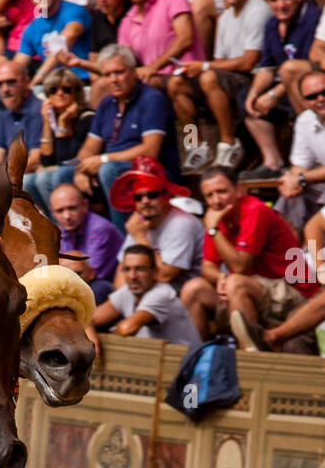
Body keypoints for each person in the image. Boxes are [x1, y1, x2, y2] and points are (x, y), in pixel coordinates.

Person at [180, 166, 317, 349]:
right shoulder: (218, 217)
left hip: (295, 291)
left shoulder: (253, 209)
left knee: (236, 283)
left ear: (238, 190)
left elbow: (240, 267)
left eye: (221, 191)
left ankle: (250, 360)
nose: (217, 200)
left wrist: (213, 230)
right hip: (259, 292)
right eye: (210, 195)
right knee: (193, 289)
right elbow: (207, 267)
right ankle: (197, 359)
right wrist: (220, 276)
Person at [53, 44, 181, 228]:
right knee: (61, 176)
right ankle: (71, 242)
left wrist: (103, 159)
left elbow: (150, 151)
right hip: (112, 170)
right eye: (107, 75)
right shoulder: (106, 103)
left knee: (109, 171)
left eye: (119, 73)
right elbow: (89, 148)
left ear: (133, 71)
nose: (114, 80)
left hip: (151, 172)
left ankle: (124, 243)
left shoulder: (152, 99)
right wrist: (81, 171)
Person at [170, 0, 271, 172]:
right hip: (229, 77)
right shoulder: (225, 17)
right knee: (176, 84)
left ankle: (228, 142)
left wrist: (205, 67)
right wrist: (199, 68)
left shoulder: (257, 10)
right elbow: (219, 60)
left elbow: (248, 61)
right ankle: (194, 144)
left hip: (254, 79)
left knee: (208, 77)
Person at [243, 0, 322, 177]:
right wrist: (255, 93)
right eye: (274, 0)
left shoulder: (312, 17)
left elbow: (247, 60)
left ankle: (196, 145)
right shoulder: (270, 25)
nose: (281, 5)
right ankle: (272, 163)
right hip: (283, 89)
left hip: (306, 87)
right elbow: (266, 67)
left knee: (206, 81)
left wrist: (272, 95)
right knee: (244, 97)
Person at [109, 160, 204, 289]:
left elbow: (164, 276)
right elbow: (121, 272)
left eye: (152, 195)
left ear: (165, 196)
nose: (145, 201)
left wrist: (140, 238)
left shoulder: (181, 223)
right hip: (150, 288)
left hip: (180, 290)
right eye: (139, 197)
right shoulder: (139, 223)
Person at [116, 0, 204, 89]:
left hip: (188, 75)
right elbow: (125, 60)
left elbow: (185, 39)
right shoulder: (126, 21)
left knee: (156, 85)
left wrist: (153, 67)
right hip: (156, 80)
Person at [91, 244, 201, 348]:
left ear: (155, 272)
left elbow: (127, 329)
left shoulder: (162, 294)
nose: (132, 276)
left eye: (140, 269)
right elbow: (87, 319)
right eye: (127, 269)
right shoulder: (127, 291)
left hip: (183, 361)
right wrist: (91, 335)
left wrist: (108, 334)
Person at [278, 71, 325, 271]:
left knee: (300, 184)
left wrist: (300, 177)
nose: (320, 99)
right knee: (289, 196)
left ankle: (315, 262)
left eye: (324, 92)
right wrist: (292, 180)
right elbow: (300, 163)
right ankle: (290, 257)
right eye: (312, 97)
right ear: (304, 101)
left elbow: (302, 173)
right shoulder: (305, 120)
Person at [15, 0, 90, 83]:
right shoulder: (32, 28)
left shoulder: (75, 11)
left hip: (79, 81)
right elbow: (17, 66)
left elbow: (63, 43)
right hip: (51, 86)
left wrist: (37, 80)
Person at [31, 69, 93, 209]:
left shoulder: (87, 118)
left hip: (82, 173)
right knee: (28, 181)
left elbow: (66, 161)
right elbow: (47, 161)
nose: (60, 93)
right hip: (64, 170)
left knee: (47, 177)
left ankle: (59, 225)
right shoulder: (52, 119)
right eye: (53, 90)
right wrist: (47, 122)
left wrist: (62, 124)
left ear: (76, 94)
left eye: (66, 89)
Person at [48, 183, 123, 282]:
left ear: (85, 205)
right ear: (52, 212)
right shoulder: (59, 231)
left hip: (103, 284)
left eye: (72, 208)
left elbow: (88, 275)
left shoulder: (100, 229)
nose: (67, 216)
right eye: (60, 211)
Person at [0, 61, 42, 168]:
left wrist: (2, 177)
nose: (5, 89)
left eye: (11, 82)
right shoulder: (6, 116)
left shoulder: (38, 111)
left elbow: (35, 160)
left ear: (26, 82)